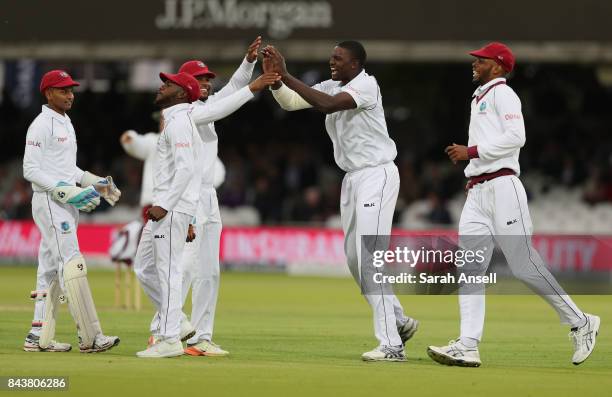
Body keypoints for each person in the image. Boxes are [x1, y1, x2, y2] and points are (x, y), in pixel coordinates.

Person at [427, 42, 600, 367]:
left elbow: (516, 136)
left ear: (498, 65)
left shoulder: (503, 93)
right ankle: (468, 344)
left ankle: (581, 321)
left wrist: (472, 152)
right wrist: (472, 162)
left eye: (481, 59)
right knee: (470, 268)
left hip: (503, 186)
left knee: (523, 265)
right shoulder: (479, 96)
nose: (475, 63)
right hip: (477, 192)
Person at [263, 41, 418, 361]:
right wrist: (277, 81)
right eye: (331, 56)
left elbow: (329, 105)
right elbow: (292, 103)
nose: (332, 61)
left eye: (339, 58)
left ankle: (391, 345)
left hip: (377, 174)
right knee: (353, 259)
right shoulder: (332, 84)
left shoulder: (366, 85)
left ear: (356, 63)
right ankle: (398, 320)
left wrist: (287, 74)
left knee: (370, 257)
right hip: (353, 179)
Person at [148, 36, 281, 357]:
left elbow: (228, 93)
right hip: (187, 197)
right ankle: (163, 330)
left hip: (209, 197)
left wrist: (248, 63)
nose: (205, 84)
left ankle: (200, 338)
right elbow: (229, 102)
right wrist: (254, 86)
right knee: (184, 269)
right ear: (183, 85)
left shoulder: (203, 106)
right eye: (199, 79)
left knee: (209, 271)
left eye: (208, 79)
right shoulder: (184, 113)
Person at [23, 70, 121, 353]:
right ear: (48, 93)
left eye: (71, 90)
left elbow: (69, 170)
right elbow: (30, 169)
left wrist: (95, 183)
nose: (70, 95)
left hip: (66, 201)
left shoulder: (66, 122)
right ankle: (91, 337)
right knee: (72, 263)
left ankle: (37, 336)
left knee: (50, 268)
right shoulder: (41, 124)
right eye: (63, 90)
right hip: (51, 202)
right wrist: (60, 190)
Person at [134, 71, 204, 358]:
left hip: (170, 208)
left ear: (181, 93)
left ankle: (170, 338)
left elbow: (186, 168)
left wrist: (166, 204)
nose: (161, 85)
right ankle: (177, 320)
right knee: (144, 267)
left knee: (168, 271)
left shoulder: (179, 123)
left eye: (169, 83)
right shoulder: (175, 120)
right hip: (169, 208)